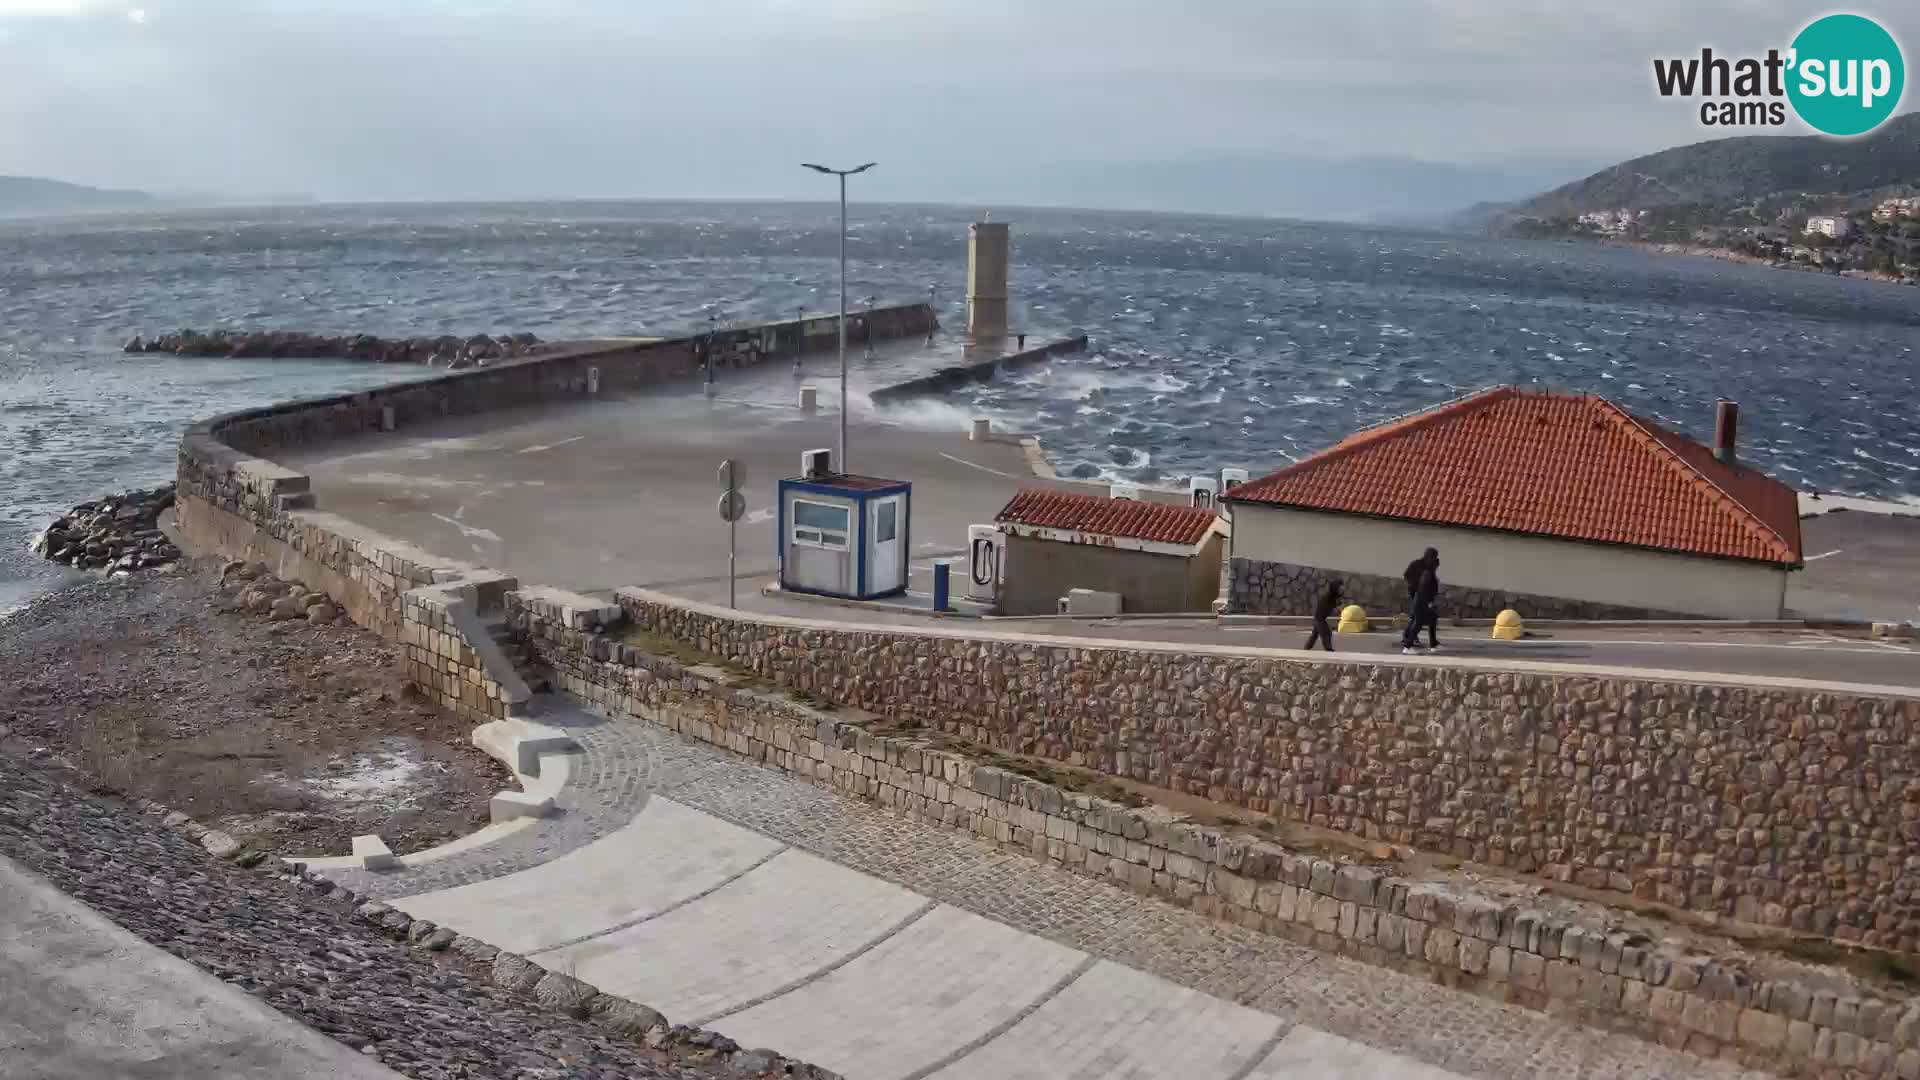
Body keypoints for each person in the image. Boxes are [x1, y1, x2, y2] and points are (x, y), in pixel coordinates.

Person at [1402, 550, 1442, 654]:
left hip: (1421, 599)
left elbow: (1431, 589)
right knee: (1417, 621)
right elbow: (1424, 589)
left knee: (1430, 619)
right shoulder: (1424, 571)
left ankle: (1433, 644)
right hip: (1419, 598)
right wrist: (1430, 602)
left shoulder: (1429, 572)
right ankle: (1407, 644)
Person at [1305, 580, 1343, 651]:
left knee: (1315, 635)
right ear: (1335, 588)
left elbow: (1337, 604)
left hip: (1320, 618)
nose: (1341, 589)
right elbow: (1334, 605)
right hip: (1320, 618)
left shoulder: (1333, 596)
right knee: (1326, 633)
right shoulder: (1328, 596)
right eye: (1340, 588)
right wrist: (1337, 607)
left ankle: (1306, 648)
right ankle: (1328, 649)